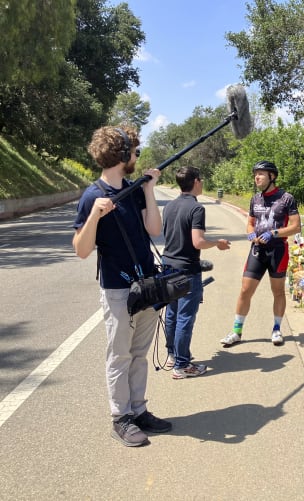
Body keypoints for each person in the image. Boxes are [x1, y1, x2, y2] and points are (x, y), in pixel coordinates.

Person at [73, 125, 172, 447]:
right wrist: (95, 217)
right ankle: (121, 417)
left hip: (146, 284)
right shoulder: (92, 196)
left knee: (139, 354)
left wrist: (148, 189)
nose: (136, 157)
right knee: (119, 355)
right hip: (118, 289)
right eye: (135, 151)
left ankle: (139, 410)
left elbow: (154, 229)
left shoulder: (132, 189)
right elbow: (81, 249)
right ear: (123, 154)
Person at [220, 160, 301, 347]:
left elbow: (296, 227)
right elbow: (250, 222)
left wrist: (274, 233)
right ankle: (236, 331)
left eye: (261, 174)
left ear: (272, 177)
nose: (257, 177)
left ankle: (277, 329)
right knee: (245, 290)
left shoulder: (286, 198)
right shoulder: (255, 199)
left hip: (278, 251)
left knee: (278, 291)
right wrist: (250, 232)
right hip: (257, 250)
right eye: (255, 174)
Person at [162, 166, 231, 379]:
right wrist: (217, 243)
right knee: (185, 317)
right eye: (200, 179)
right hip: (187, 269)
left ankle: (173, 354)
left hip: (167, 265)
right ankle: (182, 365)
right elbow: (197, 241)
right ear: (195, 182)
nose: (202, 182)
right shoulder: (196, 208)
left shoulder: (169, 206)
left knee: (172, 314)